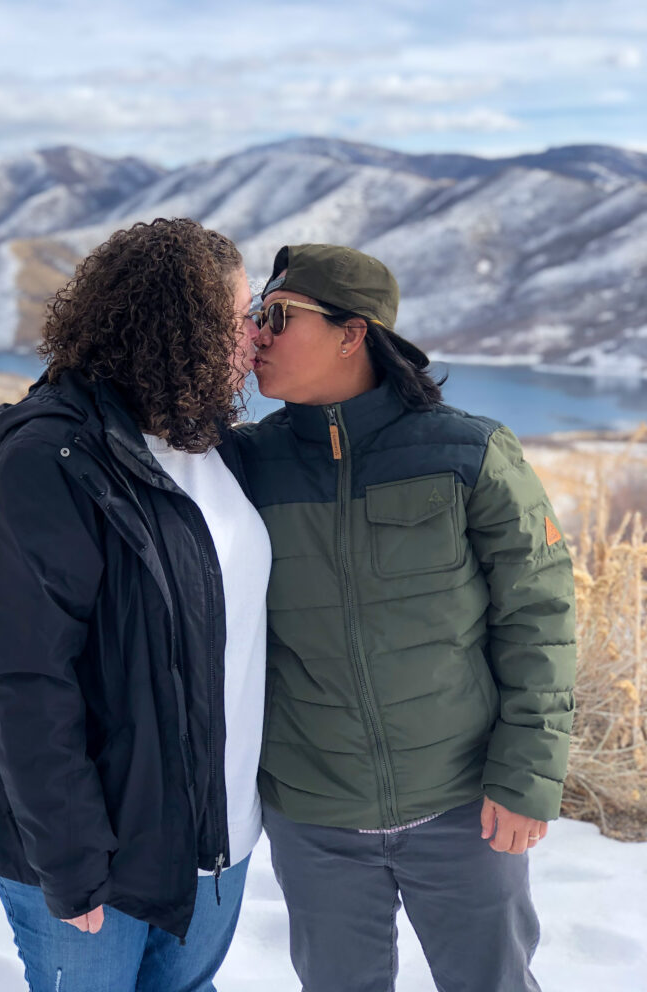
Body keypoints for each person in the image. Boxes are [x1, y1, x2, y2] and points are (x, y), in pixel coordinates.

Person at [0, 218, 271, 992]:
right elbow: (23, 679)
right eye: (238, 318)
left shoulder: (215, 445)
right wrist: (71, 860)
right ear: (179, 329)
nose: (254, 337)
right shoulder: (51, 462)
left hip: (216, 835)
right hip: (94, 852)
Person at [231, 243, 577, 992]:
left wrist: (526, 776)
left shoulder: (471, 453)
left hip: (465, 808)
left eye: (278, 317)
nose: (257, 334)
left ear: (353, 333)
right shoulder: (242, 465)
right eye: (256, 316)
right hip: (314, 816)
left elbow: (539, 619)